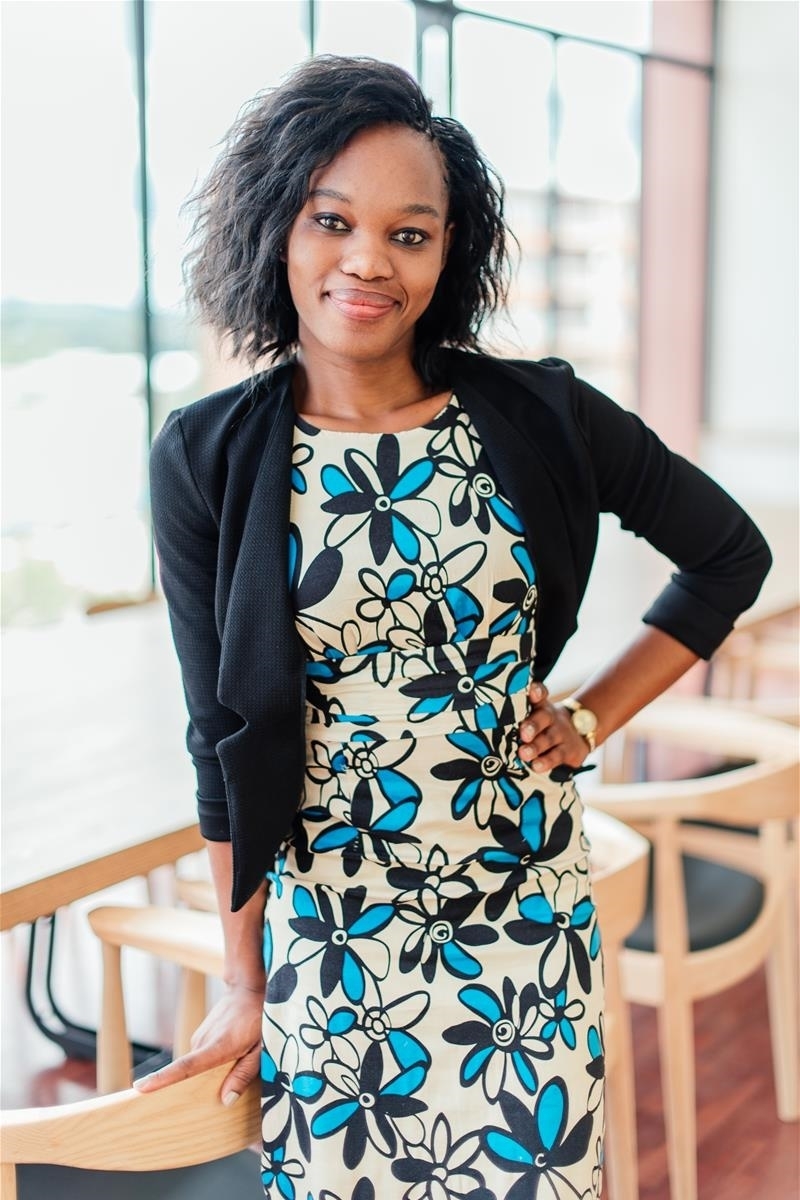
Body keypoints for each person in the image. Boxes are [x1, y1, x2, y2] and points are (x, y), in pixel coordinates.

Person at [141, 55, 771, 1199]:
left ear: (448, 254)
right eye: (331, 220)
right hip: (333, 933)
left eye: (409, 234)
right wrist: (243, 979)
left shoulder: (540, 414)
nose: (367, 261)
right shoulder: (205, 455)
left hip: (521, 915)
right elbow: (216, 737)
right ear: (276, 228)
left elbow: (727, 556)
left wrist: (591, 714)